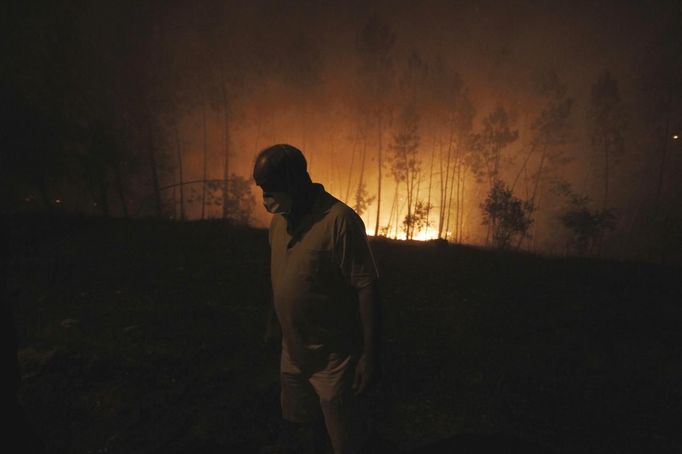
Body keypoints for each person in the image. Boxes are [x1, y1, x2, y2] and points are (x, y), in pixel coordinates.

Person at [254, 144, 381, 454]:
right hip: (293, 352)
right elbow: (280, 275)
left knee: (344, 441)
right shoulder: (279, 222)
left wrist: (370, 353)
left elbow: (366, 286)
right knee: (303, 430)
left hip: (334, 360)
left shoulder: (339, 221)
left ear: (296, 181)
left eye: (271, 188)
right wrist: (274, 320)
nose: (265, 197)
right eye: (262, 188)